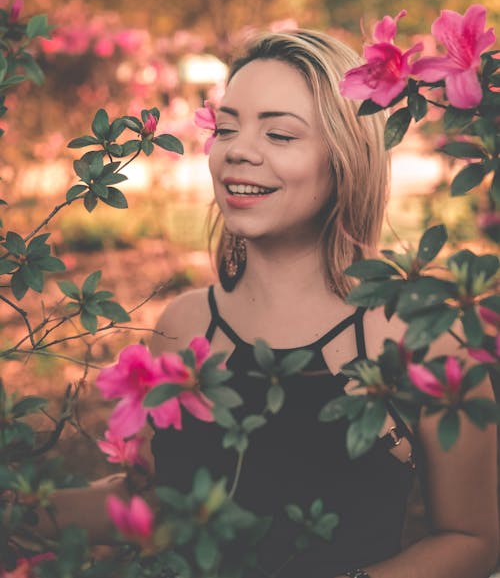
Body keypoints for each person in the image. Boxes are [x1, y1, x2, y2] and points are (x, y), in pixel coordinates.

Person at [149, 30, 499, 578]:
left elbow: (473, 537)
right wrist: (28, 505)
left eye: (281, 134)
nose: (238, 149)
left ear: (345, 158)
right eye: (227, 127)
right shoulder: (183, 326)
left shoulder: (419, 337)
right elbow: (152, 502)